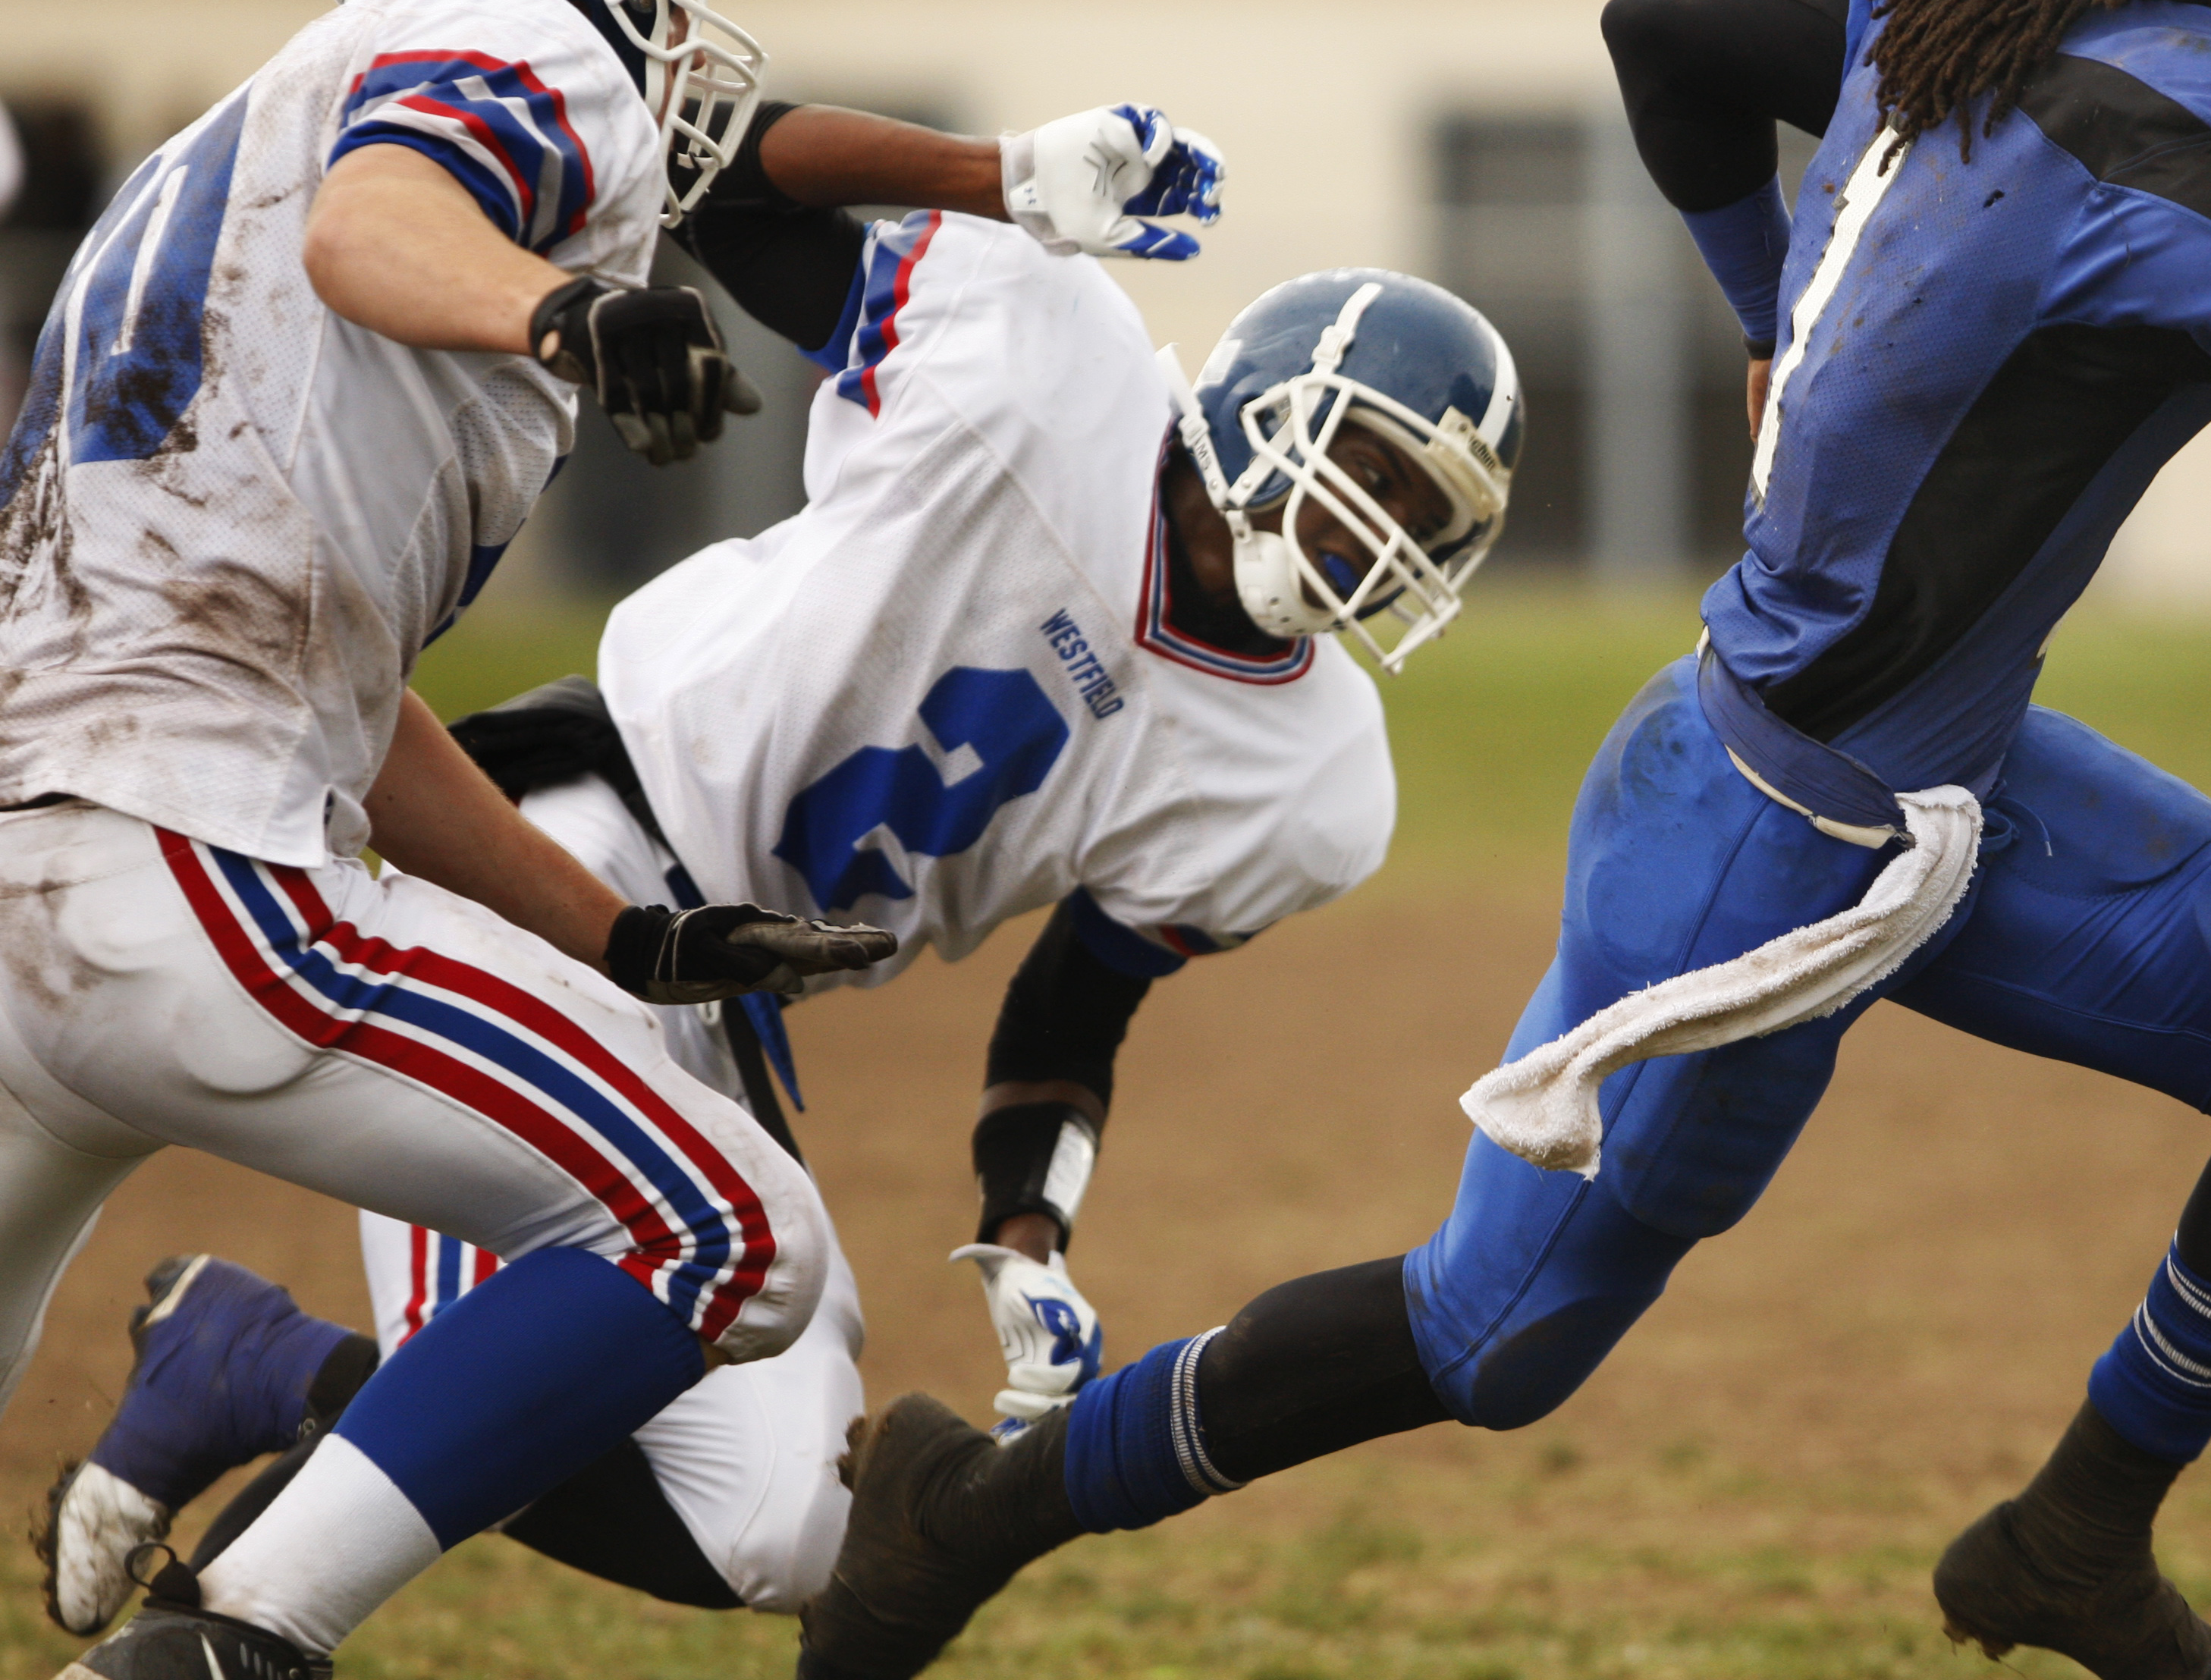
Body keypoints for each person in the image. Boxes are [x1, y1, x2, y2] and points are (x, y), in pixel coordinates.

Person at [786, 0, 2211, 1680]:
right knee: (1489, 1341)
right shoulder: (2198, 125)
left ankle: (2072, 1545)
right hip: (1769, 844)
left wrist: (1763, 306)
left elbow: (1671, 31)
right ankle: (969, 1512)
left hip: (1930, 777)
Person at [35, 86, 1525, 1630]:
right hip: (569, 844)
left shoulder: (1316, 781)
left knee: (785, 1533)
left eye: (1426, 515)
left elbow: (1076, 1010)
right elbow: (729, 187)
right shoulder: (1043, 353)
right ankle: (228, 1631)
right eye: (1373, 467)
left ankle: (255, 1358)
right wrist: (996, 174)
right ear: (1270, 397)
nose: (1377, 531)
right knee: (508, 1364)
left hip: (734, 992)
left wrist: (1031, 1239)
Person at [0, 0, 951, 1679]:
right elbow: (382, 221)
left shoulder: (208, 157)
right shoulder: (521, 41)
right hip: (187, 864)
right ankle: (245, 1635)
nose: (688, 50)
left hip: (38, 867)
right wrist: (560, 311)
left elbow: (333, 683)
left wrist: (621, 929)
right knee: (726, 1230)